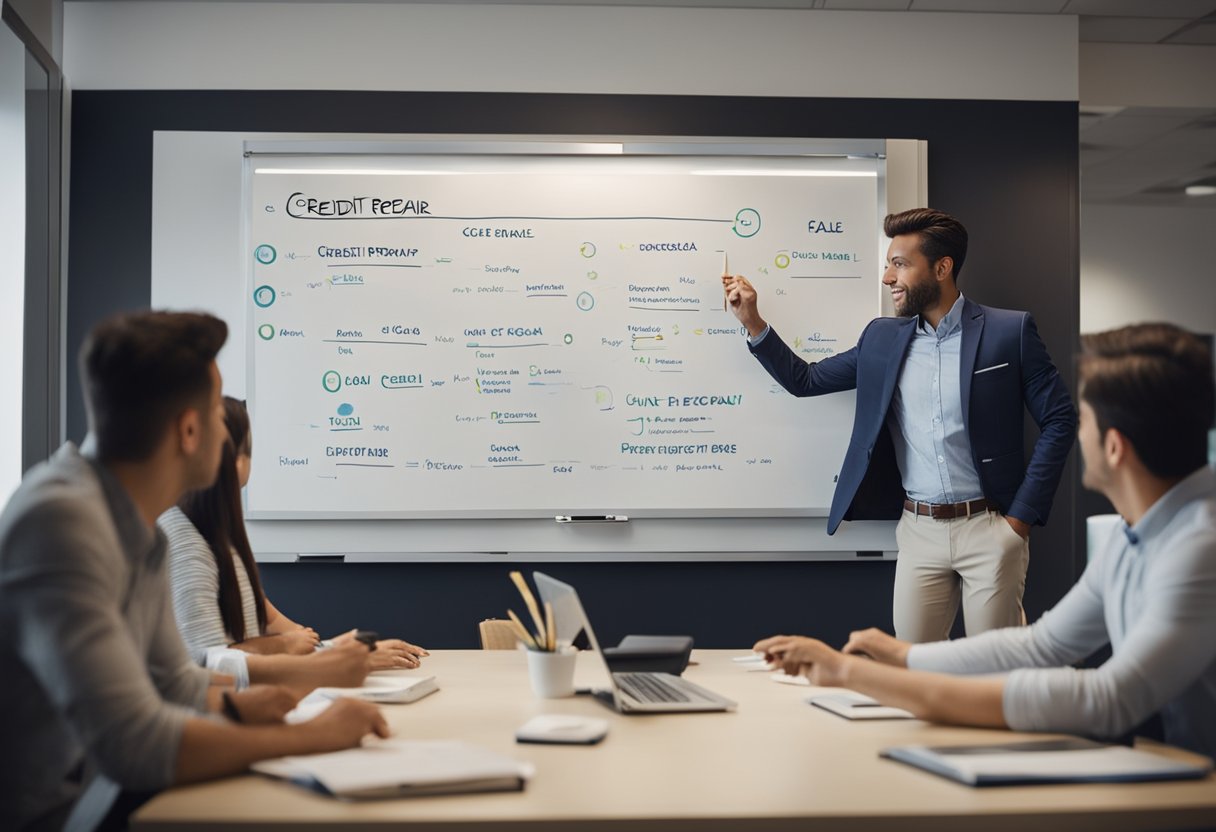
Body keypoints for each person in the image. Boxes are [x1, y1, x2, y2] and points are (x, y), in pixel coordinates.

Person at [0, 311, 389, 832]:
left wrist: (242, 706)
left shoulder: (141, 531)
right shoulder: (61, 523)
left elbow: (175, 684)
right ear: (188, 430)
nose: (226, 435)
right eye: (215, 412)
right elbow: (135, 745)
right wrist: (316, 734)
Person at [754, 323, 1216, 758]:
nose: (1079, 432)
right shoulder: (1133, 537)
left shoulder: (1201, 548)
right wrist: (904, 655)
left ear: (1114, 447)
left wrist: (852, 673)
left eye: (1087, 419)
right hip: (1178, 774)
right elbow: (1040, 646)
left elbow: (1109, 698)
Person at [724, 208, 1076, 641]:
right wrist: (753, 322)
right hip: (919, 531)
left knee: (994, 670)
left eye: (900, 264)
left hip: (990, 526)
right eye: (889, 264)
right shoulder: (881, 340)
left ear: (942, 268)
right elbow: (806, 380)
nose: (888, 278)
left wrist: (1018, 522)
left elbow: (1060, 419)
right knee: (912, 668)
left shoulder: (1008, 332)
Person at [162, 396, 427, 679]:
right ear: (237, 461)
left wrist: (337, 651)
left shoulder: (216, 537)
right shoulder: (188, 542)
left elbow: (266, 633)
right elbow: (206, 664)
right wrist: (329, 658)